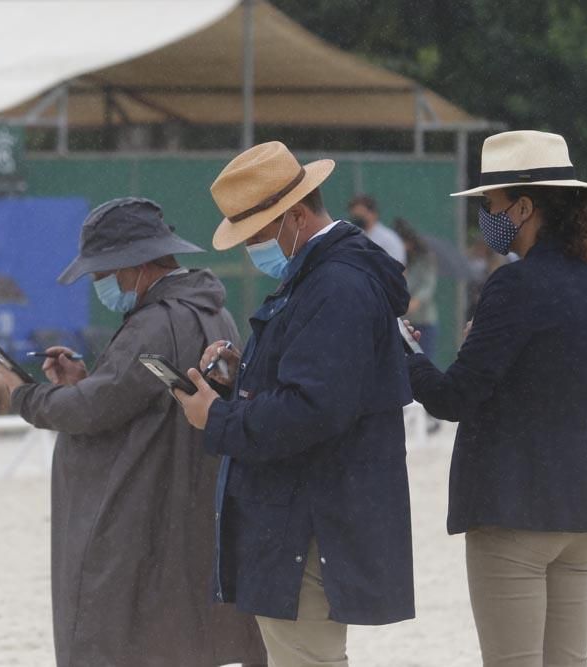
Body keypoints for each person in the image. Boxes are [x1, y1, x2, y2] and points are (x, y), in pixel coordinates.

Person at [0, 198, 265, 667]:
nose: (101, 283)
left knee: (118, 630)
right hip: (191, 499)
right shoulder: (213, 312)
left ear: (134, 265)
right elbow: (135, 393)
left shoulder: (155, 322)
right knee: (184, 631)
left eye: (103, 272)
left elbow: (94, 410)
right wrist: (84, 379)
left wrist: (26, 396)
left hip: (141, 501)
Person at [174, 142, 415, 667]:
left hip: (308, 518)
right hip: (313, 510)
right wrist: (247, 374)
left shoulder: (335, 285)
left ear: (295, 216)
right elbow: (327, 383)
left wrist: (215, 417)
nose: (250, 250)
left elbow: (313, 410)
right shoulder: (334, 276)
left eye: (256, 235)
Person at [406, 130, 587, 667]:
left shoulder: (513, 285)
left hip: (511, 506)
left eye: (491, 204)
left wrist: (405, 355)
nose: (486, 217)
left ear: (524, 206)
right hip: (580, 507)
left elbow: (452, 398)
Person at [394, 218, 440, 361]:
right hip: (404, 322)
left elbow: (427, 286)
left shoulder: (425, 260)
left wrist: (416, 301)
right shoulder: (398, 258)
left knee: (424, 360)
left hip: (423, 320)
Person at [347, 193, 407, 265]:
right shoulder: (351, 237)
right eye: (355, 215)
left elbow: (399, 269)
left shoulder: (388, 238)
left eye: (361, 213)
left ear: (373, 214)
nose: (357, 218)